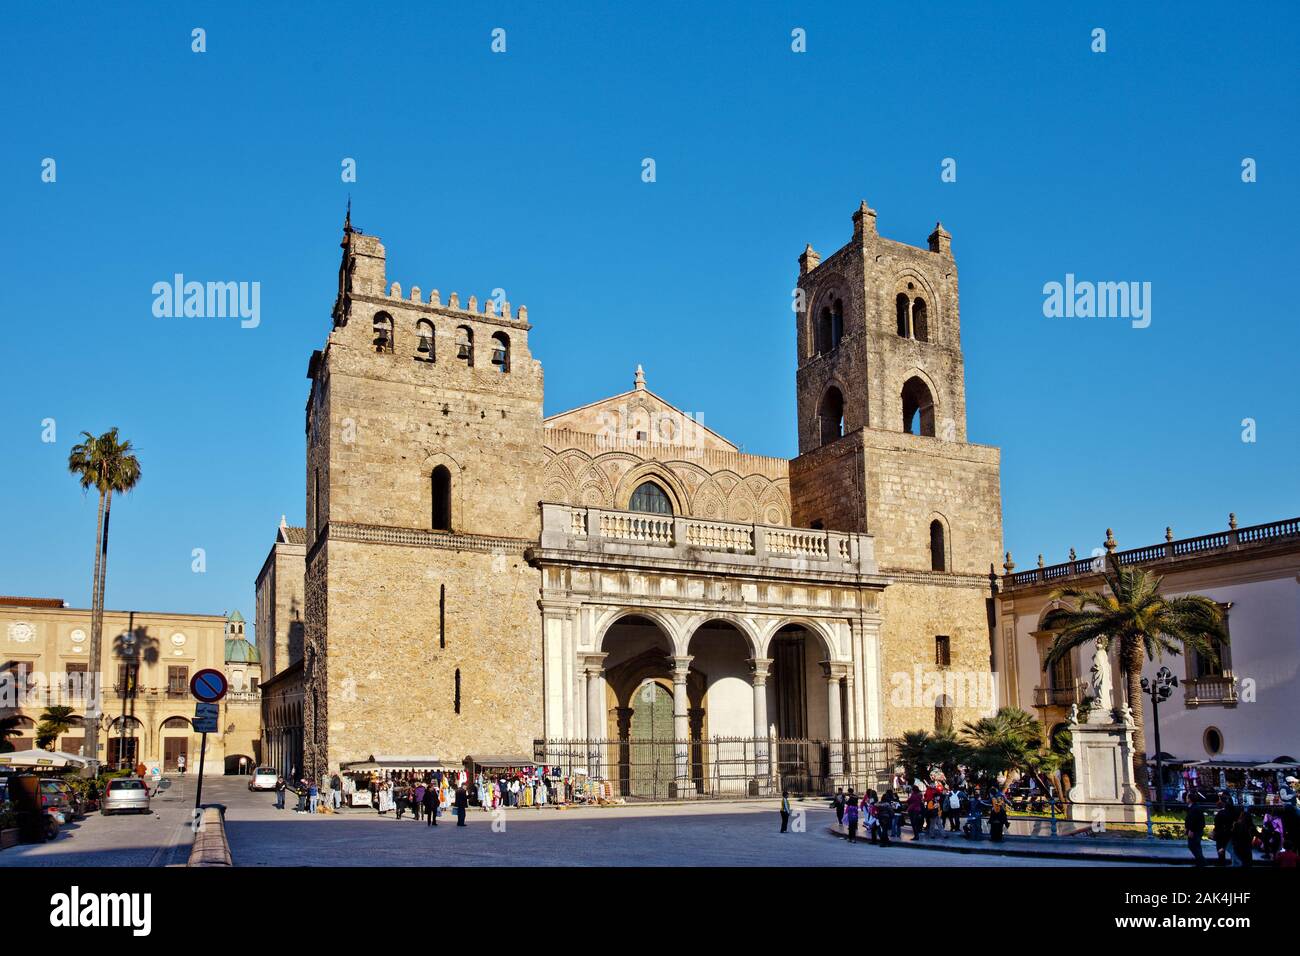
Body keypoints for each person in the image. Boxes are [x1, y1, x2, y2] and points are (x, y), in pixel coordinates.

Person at [1213, 792, 1238, 866]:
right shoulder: (1234, 811)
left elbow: (1217, 825)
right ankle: (1233, 862)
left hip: (1221, 834)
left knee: (1220, 849)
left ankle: (1222, 863)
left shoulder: (1220, 813)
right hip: (1231, 833)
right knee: (1232, 850)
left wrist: (1215, 832)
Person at [1184, 792, 1207, 866]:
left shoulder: (1195, 808)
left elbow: (1194, 821)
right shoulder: (1192, 807)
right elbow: (1189, 820)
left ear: (1190, 799)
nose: (1186, 798)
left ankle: (1202, 862)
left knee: (1193, 846)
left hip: (1195, 831)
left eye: (1187, 797)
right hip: (1194, 830)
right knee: (1195, 846)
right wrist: (1187, 828)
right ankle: (1200, 862)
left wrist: (1191, 830)